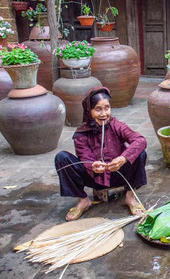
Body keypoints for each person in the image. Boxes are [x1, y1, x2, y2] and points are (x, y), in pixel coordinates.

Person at [55, 86, 147, 221]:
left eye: (107, 108)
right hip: (94, 177)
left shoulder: (116, 125)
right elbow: (84, 157)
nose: (104, 114)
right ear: (89, 110)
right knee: (62, 157)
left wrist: (122, 158)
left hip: (118, 174)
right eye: (98, 109)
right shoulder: (81, 134)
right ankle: (83, 200)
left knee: (139, 153)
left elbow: (140, 140)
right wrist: (93, 165)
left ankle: (130, 198)